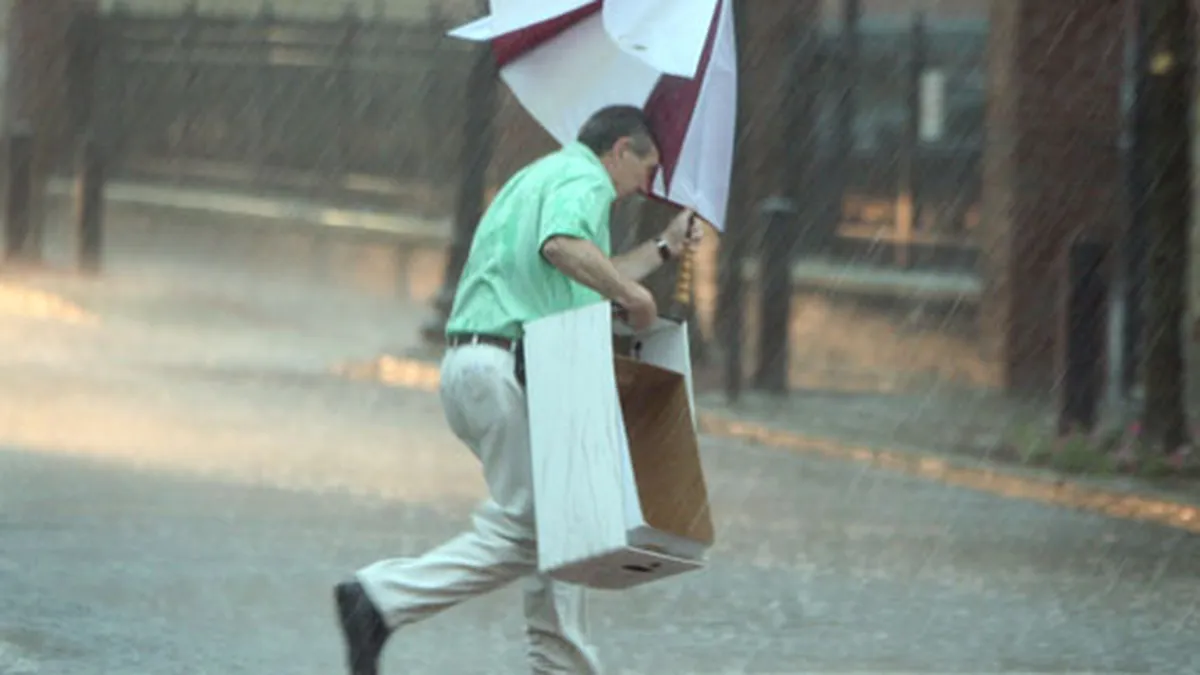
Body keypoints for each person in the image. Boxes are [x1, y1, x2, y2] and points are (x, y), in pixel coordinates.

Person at [333, 105, 702, 675]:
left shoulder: (544, 177)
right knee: (544, 531)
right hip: (504, 369)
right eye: (645, 170)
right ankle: (380, 597)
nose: (642, 186)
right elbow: (563, 247)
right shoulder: (584, 180)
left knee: (565, 523)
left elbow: (583, 261)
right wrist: (631, 296)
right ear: (620, 149)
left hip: (482, 367)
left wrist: (664, 248)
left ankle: (560, 663)